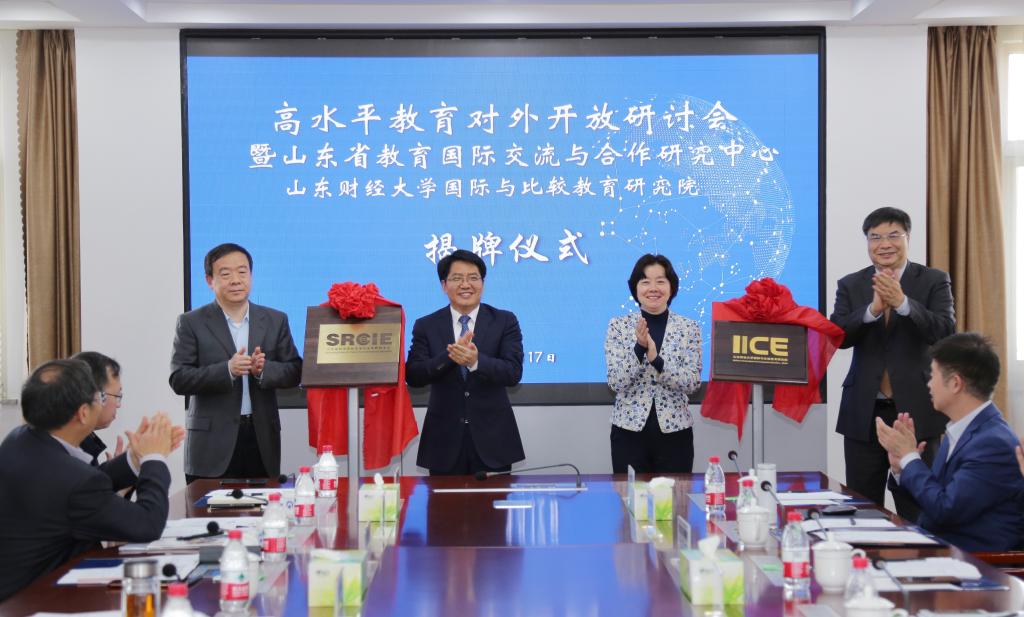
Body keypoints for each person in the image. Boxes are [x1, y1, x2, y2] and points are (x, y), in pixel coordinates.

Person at [0, 360, 175, 601]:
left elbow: (84, 485)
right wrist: (154, 458)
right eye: (100, 397)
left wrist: (133, 460)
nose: (104, 403)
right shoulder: (73, 481)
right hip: (42, 600)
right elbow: (147, 524)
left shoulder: (19, 440)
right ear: (83, 413)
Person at [830, 207, 955, 517]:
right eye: (875, 237)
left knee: (918, 504)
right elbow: (838, 336)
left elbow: (944, 331)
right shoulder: (851, 284)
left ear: (908, 237)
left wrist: (903, 303)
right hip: (864, 411)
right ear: (867, 242)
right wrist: (871, 310)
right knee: (862, 504)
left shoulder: (933, 280)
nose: (884, 244)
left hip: (917, 410)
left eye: (893, 235)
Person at [877, 333, 1024, 552]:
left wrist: (910, 458)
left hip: (974, 562)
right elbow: (933, 498)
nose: (928, 384)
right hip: (941, 550)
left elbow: (944, 509)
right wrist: (901, 467)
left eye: (933, 375)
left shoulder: (992, 443)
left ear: (955, 383)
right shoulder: (962, 429)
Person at [170, 243, 302, 482]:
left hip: (261, 440)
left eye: (242, 272)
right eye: (225, 274)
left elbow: (295, 370)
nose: (236, 280)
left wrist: (263, 370)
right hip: (211, 445)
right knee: (207, 506)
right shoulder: (191, 322)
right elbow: (179, 379)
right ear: (209, 280)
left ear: (251, 276)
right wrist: (227, 370)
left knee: (262, 504)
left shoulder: (275, 320)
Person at [406, 249, 525, 475]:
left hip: (494, 440)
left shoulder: (504, 320)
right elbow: (413, 375)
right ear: (444, 285)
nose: (466, 284)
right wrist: (450, 356)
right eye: (457, 278)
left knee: (496, 500)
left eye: (473, 278)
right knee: (444, 500)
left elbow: (513, 372)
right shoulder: (426, 325)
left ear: (482, 283)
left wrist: (476, 361)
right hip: (443, 442)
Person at [604, 254, 702, 473]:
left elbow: (692, 383)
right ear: (635, 288)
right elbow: (616, 382)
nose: (653, 288)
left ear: (671, 287)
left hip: (675, 435)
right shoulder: (618, 326)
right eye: (645, 281)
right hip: (628, 434)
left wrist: (658, 361)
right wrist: (639, 348)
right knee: (631, 495)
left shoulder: (689, 328)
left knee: (674, 495)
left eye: (660, 281)